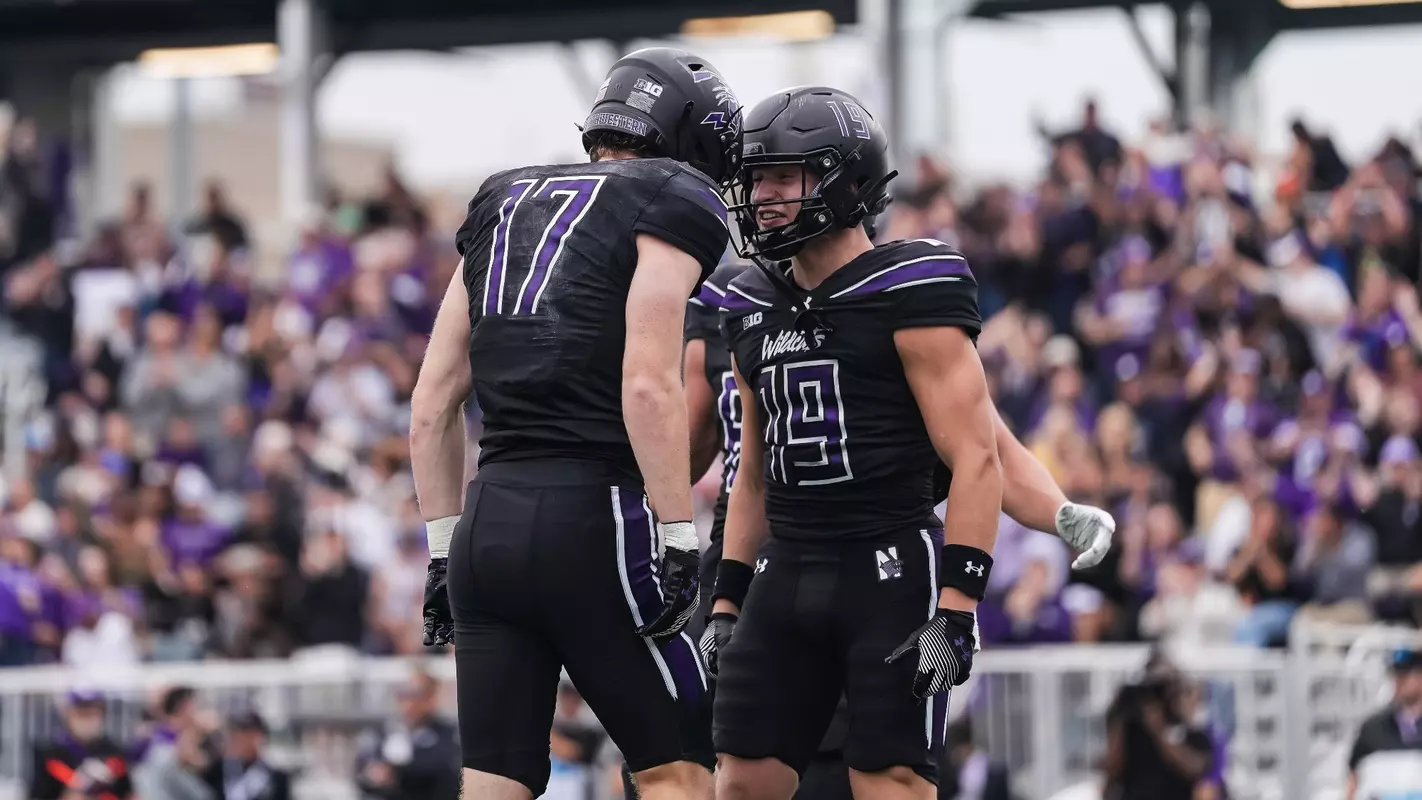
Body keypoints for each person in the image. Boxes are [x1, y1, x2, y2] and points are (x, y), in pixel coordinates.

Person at [701, 87, 1112, 800]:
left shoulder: (910, 286)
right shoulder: (749, 302)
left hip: (886, 568)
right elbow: (754, 478)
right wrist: (726, 602)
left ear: (845, 179)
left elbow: (979, 453)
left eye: (782, 176)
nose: (761, 195)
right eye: (755, 177)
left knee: (889, 781)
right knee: (740, 780)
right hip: (786, 565)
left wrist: (958, 605)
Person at [408, 47, 741, 800]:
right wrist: (679, 532)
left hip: (484, 531)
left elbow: (433, 401)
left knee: (494, 783)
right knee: (680, 772)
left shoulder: (503, 199)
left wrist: (438, 551)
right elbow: (649, 383)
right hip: (594, 521)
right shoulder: (675, 195)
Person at [29, 689, 135, 800]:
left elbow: (128, 793)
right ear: (68, 714)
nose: (87, 720)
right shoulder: (49, 753)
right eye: (82, 714)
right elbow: (37, 794)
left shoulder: (115, 753)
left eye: (92, 714)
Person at [1347, 648, 1422, 799]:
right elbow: (1353, 781)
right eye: (1396, 675)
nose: (1398, 682)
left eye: (1405, 676)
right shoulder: (1373, 728)